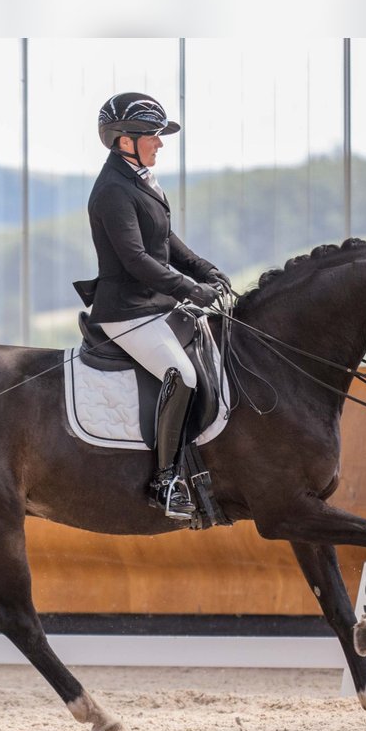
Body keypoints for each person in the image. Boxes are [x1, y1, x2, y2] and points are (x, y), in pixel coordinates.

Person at [81, 91, 231, 520]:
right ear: (124, 140)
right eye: (152, 136)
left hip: (155, 304)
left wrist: (205, 270)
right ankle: (165, 480)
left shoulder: (140, 178)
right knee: (180, 374)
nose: (160, 143)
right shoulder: (112, 189)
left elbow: (165, 241)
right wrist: (189, 289)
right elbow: (136, 259)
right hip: (126, 312)